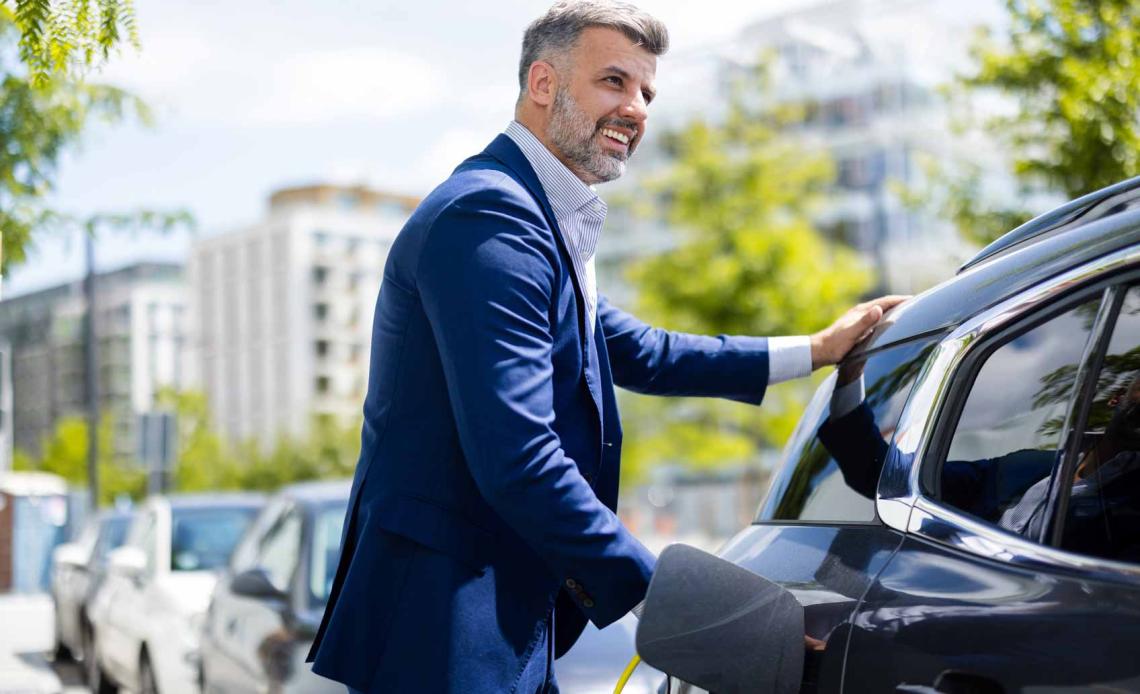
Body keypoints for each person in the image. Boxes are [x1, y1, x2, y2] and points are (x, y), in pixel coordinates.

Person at [306, 2, 904, 692]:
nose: (637, 108)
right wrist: (684, 604)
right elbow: (521, 460)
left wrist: (818, 349)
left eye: (646, 92)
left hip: (497, 615)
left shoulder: (537, 216)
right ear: (542, 84)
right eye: (614, 82)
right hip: (444, 631)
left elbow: (645, 352)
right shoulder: (490, 218)